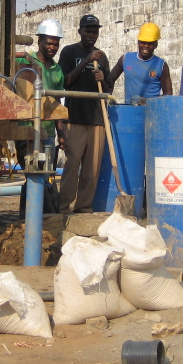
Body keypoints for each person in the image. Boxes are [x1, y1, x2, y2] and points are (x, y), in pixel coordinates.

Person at [58, 14, 112, 214]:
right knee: (72, 166)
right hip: (75, 118)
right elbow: (65, 81)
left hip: (97, 119)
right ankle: (63, 207)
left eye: (95, 31)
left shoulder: (102, 56)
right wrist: (87, 61)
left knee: (92, 168)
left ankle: (83, 207)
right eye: (88, 31)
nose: (91, 34)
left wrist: (103, 79)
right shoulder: (70, 52)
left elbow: (108, 90)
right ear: (80, 31)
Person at [14, 18, 66, 164]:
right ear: (40, 41)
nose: (53, 48)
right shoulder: (23, 61)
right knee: (30, 172)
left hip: (48, 131)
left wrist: (61, 134)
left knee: (46, 175)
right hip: (26, 130)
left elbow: (57, 104)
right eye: (49, 43)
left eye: (56, 44)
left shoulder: (58, 70)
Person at [110, 22, 173, 102]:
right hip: (129, 110)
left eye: (150, 43)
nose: (146, 46)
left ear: (156, 45)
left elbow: (168, 93)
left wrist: (149, 101)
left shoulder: (161, 65)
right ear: (138, 42)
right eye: (143, 42)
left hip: (151, 112)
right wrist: (108, 98)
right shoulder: (125, 59)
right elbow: (110, 80)